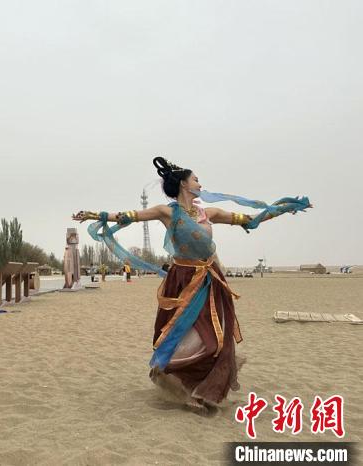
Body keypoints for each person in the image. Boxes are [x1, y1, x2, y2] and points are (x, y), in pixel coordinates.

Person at [72, 156, 311, 411]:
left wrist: (281, 209)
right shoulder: (167, 212)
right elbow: (130, 216)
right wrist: (96, 215)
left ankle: (201, 389)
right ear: (184, 184)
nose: (200, 183)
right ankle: (177, 380)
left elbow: (248, 219)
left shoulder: (209, 213)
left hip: (210, 280)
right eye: (196, 179)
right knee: (187, 334)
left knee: (217, 337)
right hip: (183, 280)